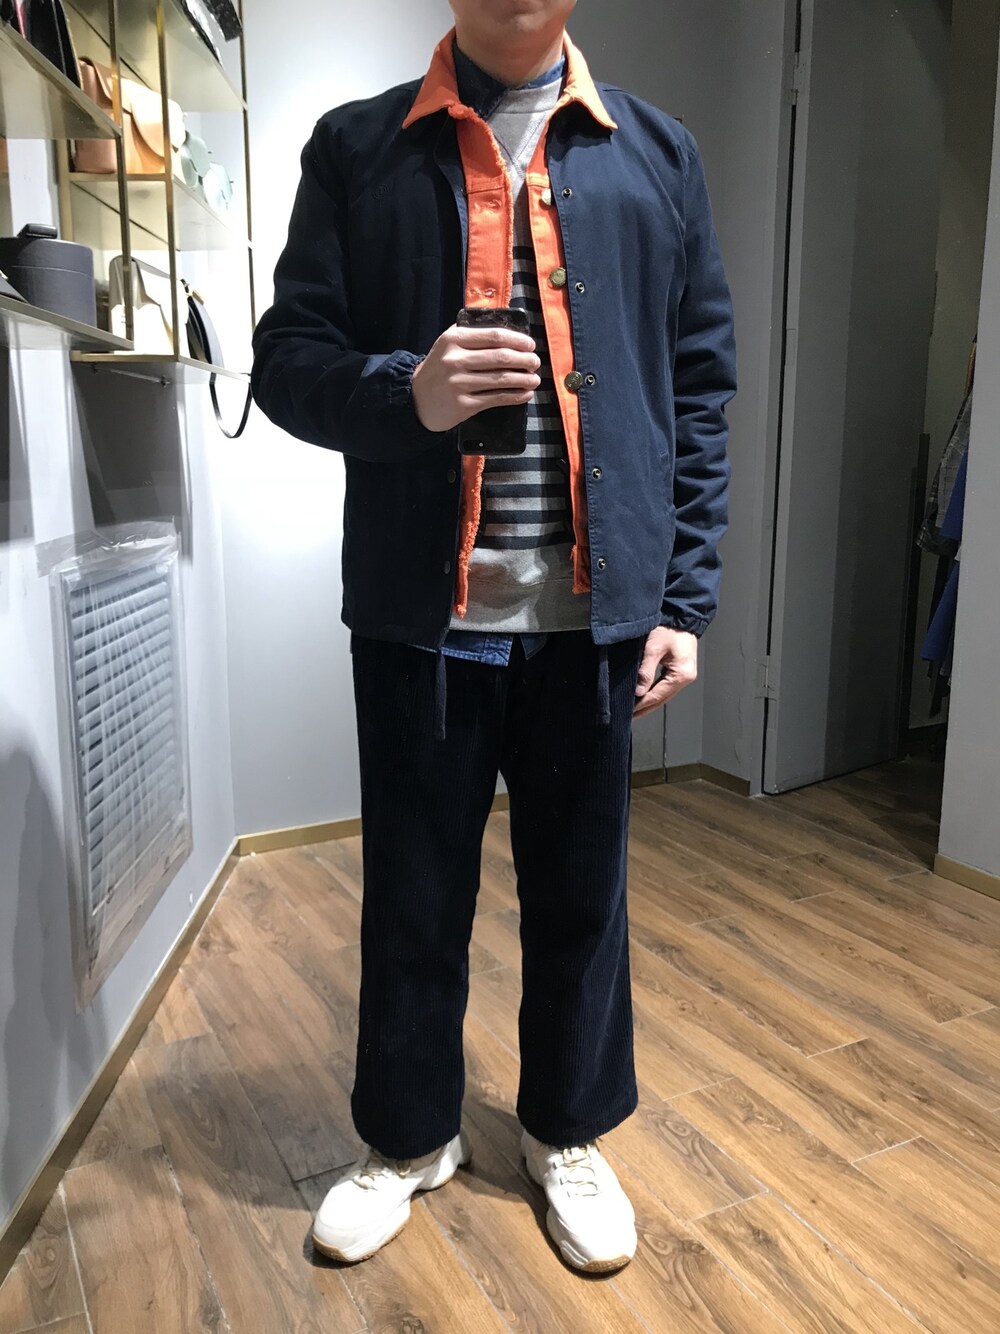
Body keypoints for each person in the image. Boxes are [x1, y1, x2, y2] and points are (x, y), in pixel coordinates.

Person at [250, 0, 737, 1275]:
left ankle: (566, 1129)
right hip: (425, 613)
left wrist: (683, 596)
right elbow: (284, 362)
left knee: (583, 897)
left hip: (595, 620)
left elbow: (698, 386)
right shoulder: (357, 148)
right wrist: (403, 391)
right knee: (413, 893)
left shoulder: (658, 154)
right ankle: (409, 1135)